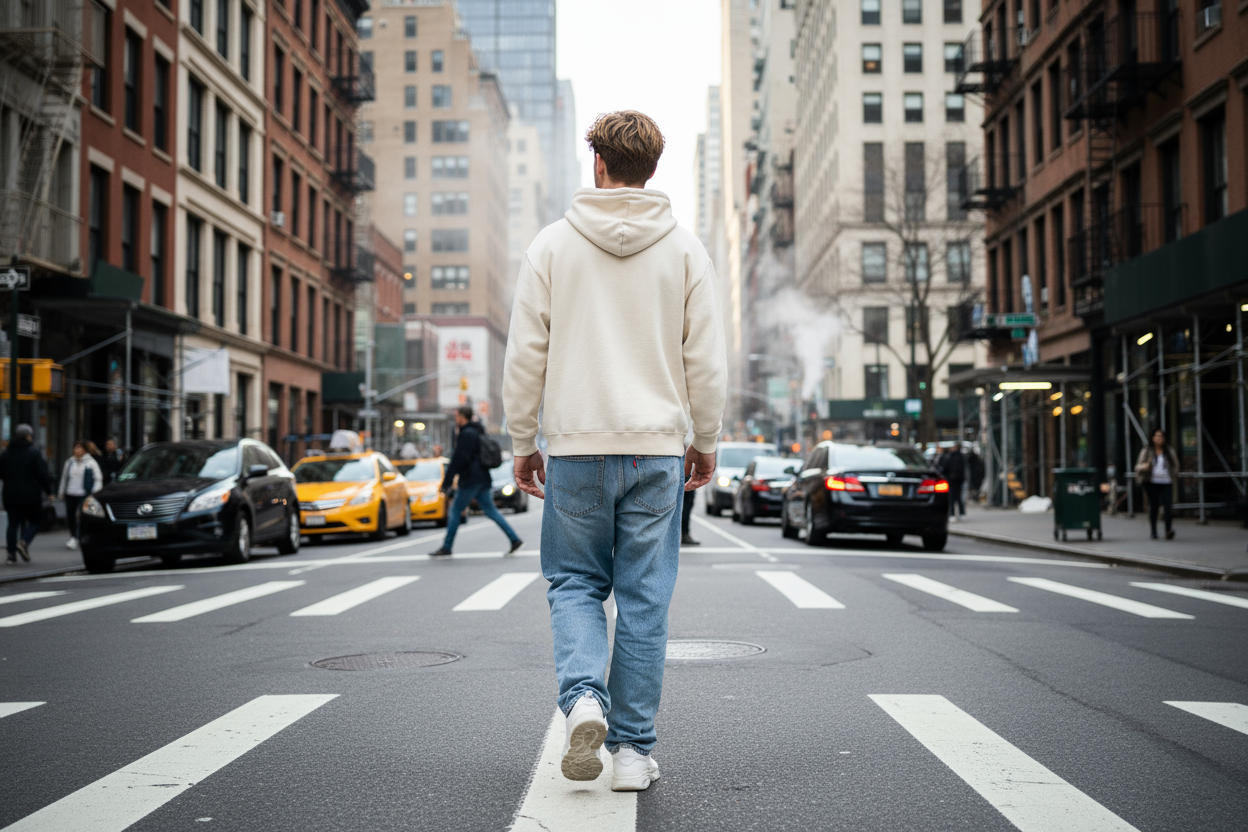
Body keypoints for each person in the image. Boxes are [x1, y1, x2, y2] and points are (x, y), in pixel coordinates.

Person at [503, 111, 726, 792]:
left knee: (575, 583)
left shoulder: (551, 246)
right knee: (644, 600)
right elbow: (705, 360)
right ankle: (631, 754)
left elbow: (525, 355)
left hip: (575, 449)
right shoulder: (685, 250)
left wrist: (522, 441)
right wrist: (706, 440)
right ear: (651, 168)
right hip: (657, 451)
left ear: (597, 163)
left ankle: (583, 701)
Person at [428, 405, 522, 557]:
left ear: (462, 417)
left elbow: (459, 459)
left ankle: (446, 547)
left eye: (456, 416)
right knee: (491, 511)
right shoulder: (477, 431)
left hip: (470, 480)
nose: (455, 418)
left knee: (455, 510)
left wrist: (447, 481)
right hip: (482, 478)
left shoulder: (466, 434)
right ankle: (514, 539)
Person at [0, 424, 56, 563]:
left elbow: (1, 473)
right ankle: (24, 542)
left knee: (13, 523)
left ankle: (11, 554)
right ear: (28, 436)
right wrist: (49, 491)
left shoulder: (7, 453)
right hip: (30, 495)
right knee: (35, 521)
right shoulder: (33, 452)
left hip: (10, 494)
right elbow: (42, 474)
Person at [58, 441, 104, 550]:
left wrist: (94, 492)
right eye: (75, 448)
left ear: (84, 450)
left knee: (79, 516)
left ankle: (78, 537)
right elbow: (64, 477)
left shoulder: (90, 463)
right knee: (70, 517)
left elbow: (98, 479)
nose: (76, 450)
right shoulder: (70, 462)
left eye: (79, 448)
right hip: (70, 493)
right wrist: (61, 491)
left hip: (83, 494)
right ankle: (73, 536)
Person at [1136, 428, 1179, 540]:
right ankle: (1154, 531)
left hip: (1166, 482)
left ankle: (1168, 530)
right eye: (1157, 436)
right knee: (1154, 506)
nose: (1159, 439)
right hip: (1152, 482)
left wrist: (1173, 475)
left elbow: (1176, 464)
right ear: (1153, 438)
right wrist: (1145, 466)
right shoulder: (1147, 451)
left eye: (1161, 436)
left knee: (1168, 506)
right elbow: (1138, 466)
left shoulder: (1169, 450)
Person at [941, 444, 967, 521]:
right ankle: (961, 512)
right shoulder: (960, 457)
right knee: (958, 497)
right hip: (958, 480)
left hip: (952, 480)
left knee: (952, 497)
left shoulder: (950, 457)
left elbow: (945, 467)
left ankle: (952, 513)